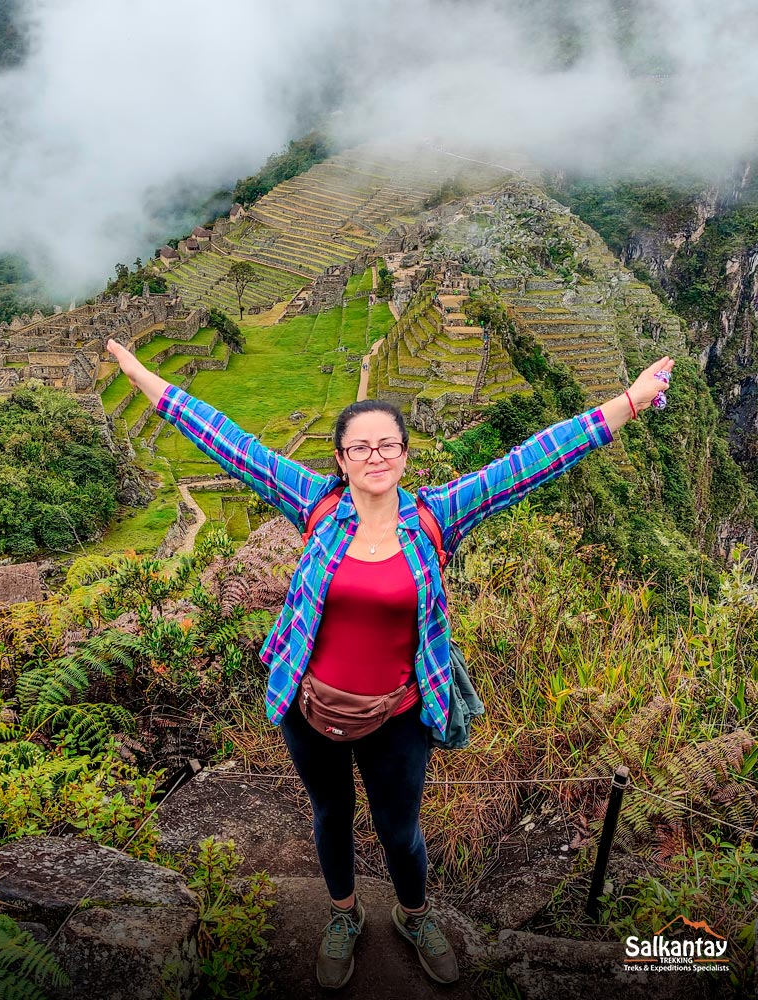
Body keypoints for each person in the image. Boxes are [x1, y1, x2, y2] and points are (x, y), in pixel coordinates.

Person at [106, 337, 673, 990]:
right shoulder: (315, 506)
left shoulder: (438, 513)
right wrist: (141, 374)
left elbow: (532, 462)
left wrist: (628, 402)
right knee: (330, 816)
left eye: (387, 445)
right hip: (309, 705)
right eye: (360, 447)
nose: (375, 455)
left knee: (400, 830)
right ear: (342, 459)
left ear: (404, 455)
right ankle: (343, 916)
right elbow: (229, 442)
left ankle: (413, 914)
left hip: (400, 713)